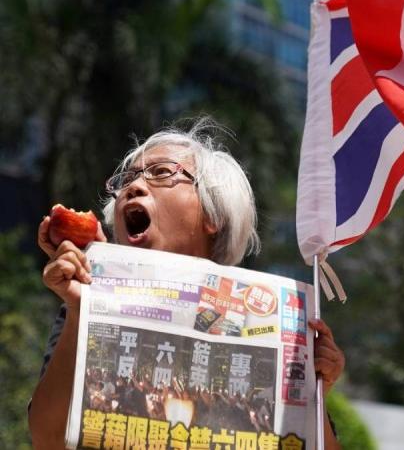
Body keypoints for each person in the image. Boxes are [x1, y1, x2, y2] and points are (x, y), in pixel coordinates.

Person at [29, 119, 344, 449]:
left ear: (212, 216)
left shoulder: (282, 328)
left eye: (162, 173)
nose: (133, 188)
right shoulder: (84, 305)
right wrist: (82, 313)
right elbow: (48, 439)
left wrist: (316, 390)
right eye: (127, 180)